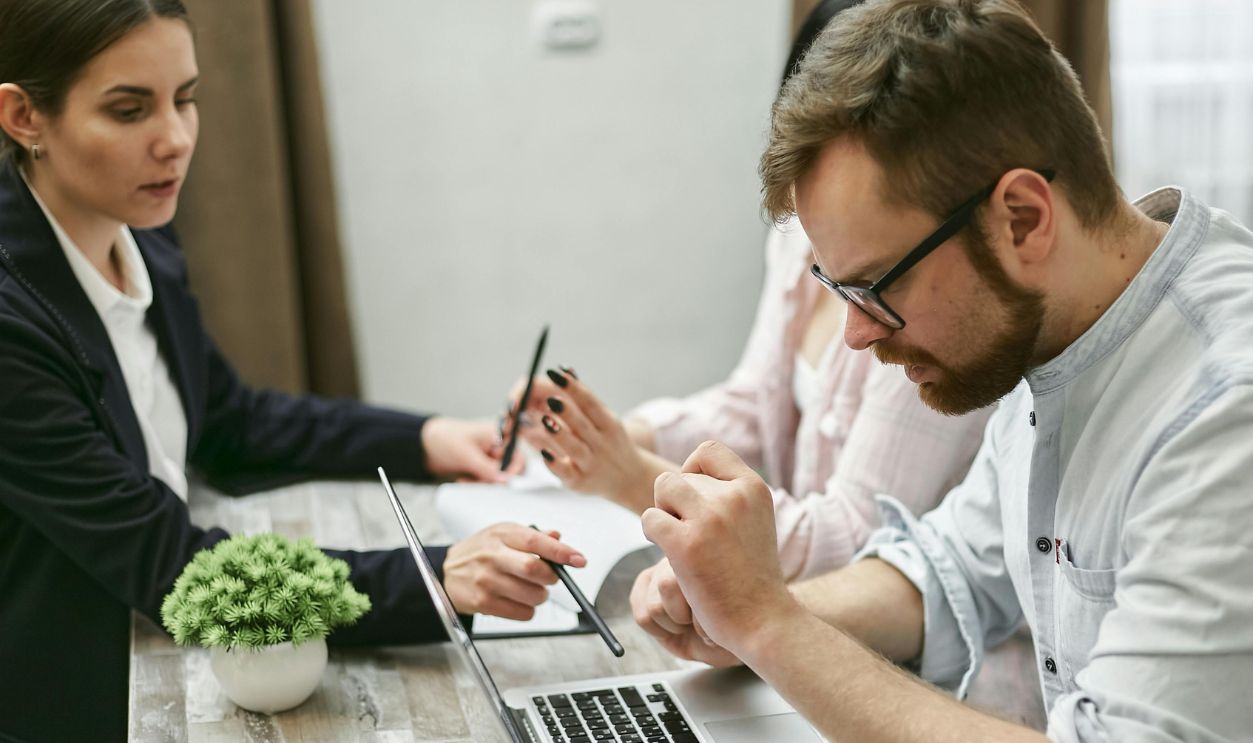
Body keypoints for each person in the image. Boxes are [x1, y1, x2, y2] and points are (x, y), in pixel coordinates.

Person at [633, 0, 1253, 741]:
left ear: (1021, 217)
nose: (856, 335)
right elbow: (947, 566)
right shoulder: (1054, 332)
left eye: (877, 286)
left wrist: (767, 624)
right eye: (838, 292)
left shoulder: (1224, 408)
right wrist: (737, 609)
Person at [0, 3, 584, 741]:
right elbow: (167, 561)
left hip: (166, 649)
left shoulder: (139, 233)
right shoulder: (10, 325)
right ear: (24, 116)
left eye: (186, 99)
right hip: (77, 689)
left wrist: (430, 439)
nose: (175, 140)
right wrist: (434, 579)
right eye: (128, 110)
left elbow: (231, 419)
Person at [512, 0, 989, 601]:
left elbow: (850, 542)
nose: (852, 328)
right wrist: (612, 434)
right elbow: (752, 406)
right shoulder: (797, 237)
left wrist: (629, 474)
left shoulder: (925, 299)